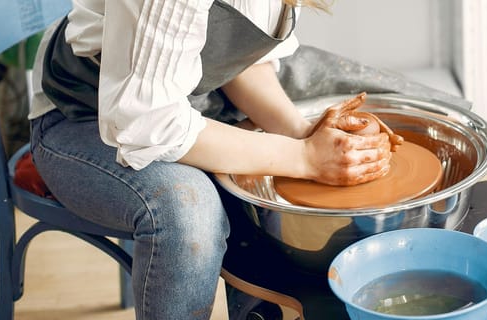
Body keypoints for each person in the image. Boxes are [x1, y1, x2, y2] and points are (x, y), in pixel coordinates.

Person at [27, 0, 400, 319]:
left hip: (190, 98)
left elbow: (241, 59)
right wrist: (304, 158)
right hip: (83, 115)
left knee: (280, 176)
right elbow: (145, 121)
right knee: (189, 213)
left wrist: (300, 133)